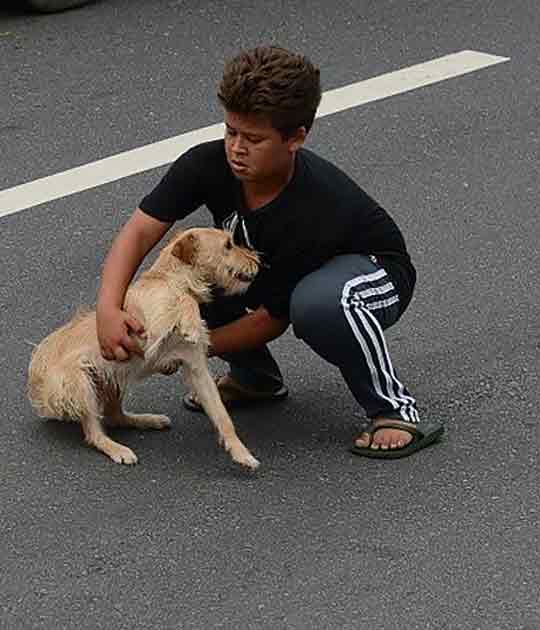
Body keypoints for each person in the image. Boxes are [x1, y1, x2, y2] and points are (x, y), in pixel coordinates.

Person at [94, 45, 443, 459]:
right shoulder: (206, 164)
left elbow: (270, 320)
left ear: (296, 138)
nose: (237, 149)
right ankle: (255, 379)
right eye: (231, 131)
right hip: (283, 270)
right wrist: (108, 310)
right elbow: (138, 232)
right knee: (195, 273)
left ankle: (394, 409)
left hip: (371, 275)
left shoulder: (314, 207)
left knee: (318, 305)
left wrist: (189, 350)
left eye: (254, 139)